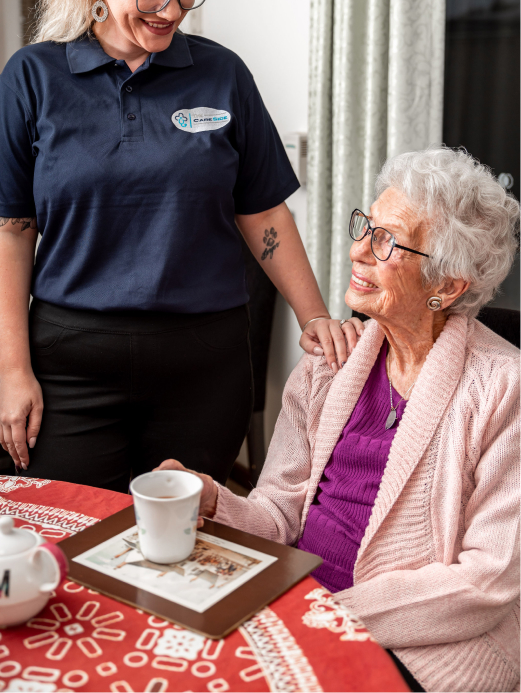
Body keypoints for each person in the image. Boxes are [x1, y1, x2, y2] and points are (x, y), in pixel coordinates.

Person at [0, 0, 361, 491]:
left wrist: (315, 317)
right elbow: (13, 230)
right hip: (70, 365)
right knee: (72, 550)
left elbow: (262, 211)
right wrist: (10, 369)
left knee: (184, 556)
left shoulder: (222, 76)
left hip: (205, 369)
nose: (169, 11)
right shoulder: (33, 77)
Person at [159, 147, 521, 693]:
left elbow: (487, 580)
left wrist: (323, 615)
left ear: (446, 286)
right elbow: (279, 514)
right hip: (294, 608)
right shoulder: (331, 364)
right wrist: (216, 502)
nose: (357, 251)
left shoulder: (503, 388)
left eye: (387, 241)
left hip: (422, 643)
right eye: (365, 227)